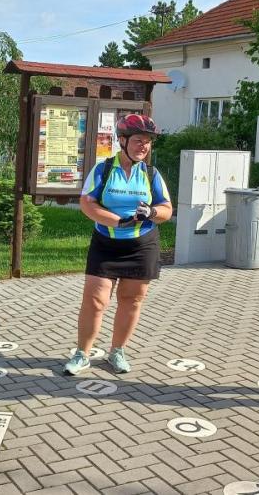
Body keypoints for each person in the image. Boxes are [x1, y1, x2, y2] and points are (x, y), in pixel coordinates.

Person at [63, 114, 172, 375]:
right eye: (138, 141)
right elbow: (87, 203)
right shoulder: (103, 169)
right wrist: (117, 221)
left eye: (148, 142)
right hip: (106, 243)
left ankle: (117, 351)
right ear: (122, 141)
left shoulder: (151, 173)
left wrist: (152, 213)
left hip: (141, 245)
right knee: (95, 300)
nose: (143, 146)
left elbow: (167, 209)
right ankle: (82, 354)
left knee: (131, 300)